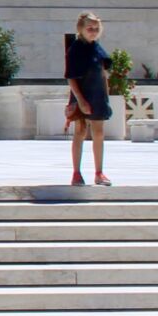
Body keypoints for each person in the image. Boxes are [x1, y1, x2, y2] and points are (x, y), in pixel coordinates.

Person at [66, 12, 114, 186]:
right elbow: (71, 76)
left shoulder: (97, 47)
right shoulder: (76, 48)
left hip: (97, 94)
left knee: (99, 133)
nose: (93, 31)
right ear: (81, 29)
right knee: (80, 132)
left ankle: (99, 172)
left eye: (96, 28)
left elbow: (103, 72)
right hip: (81, 94)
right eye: (89, 28)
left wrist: (106, 97)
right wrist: (80, 100)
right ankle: (76, 173)